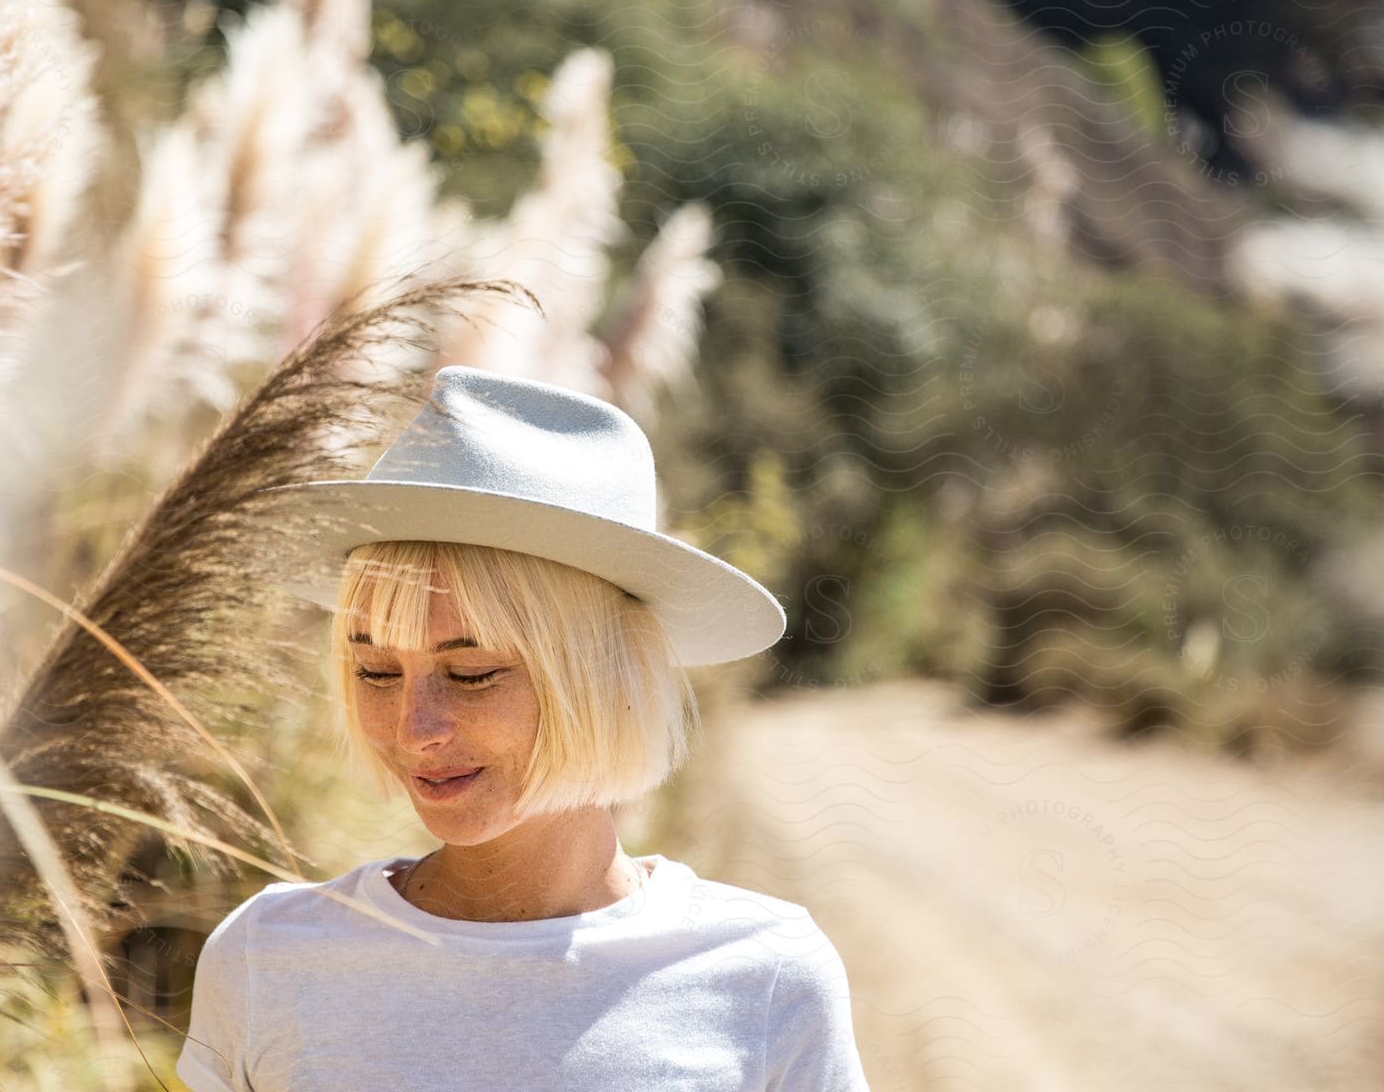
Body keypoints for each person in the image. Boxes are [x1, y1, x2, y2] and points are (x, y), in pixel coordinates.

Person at [176, 365, 871, 1091]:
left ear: (602, 680)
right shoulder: (267, 959)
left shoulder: (765, 976)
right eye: (376, 673)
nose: (415, 730)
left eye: (472, 674)